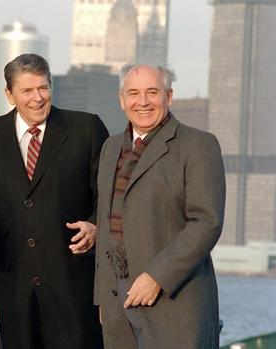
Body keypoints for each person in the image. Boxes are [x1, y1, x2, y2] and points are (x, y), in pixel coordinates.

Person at [0, 53, 108, 349]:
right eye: (27, 90)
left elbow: (109, 197)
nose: (37, 98)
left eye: (44, 87)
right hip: (14, 287)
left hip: (74, 285)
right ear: (9, 94)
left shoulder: (86, 130)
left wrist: (95, 226)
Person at [93, 63, 225, 349]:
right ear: (121, 99)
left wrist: (157, 277)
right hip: (118, 307)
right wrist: (104, 296)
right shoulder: (110, 148)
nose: (142, 102)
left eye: (152, 92)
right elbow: (106, 223)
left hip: (173, 302)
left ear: (169, 96)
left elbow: (206, 222)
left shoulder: (198, 145)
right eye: (133, 93)